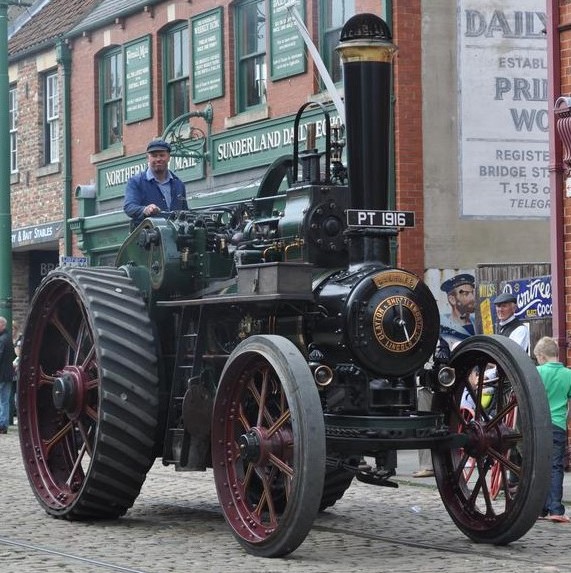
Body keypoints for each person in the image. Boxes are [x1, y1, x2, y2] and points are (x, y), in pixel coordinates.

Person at [533, 336, 571, 523]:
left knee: (539, 467)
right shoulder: (568, 374)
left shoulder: (537, 372)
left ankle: (539, 509)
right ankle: (556, 508)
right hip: (558, 425)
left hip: (538, 426)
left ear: (541, 356)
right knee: (556, 466)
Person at [123, 138, 188, 229]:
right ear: (148, 158)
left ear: (169, 157)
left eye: (162, 155)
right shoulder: (136, 182)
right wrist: (145, 210)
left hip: (174, 239)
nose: (158, 159)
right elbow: (129, 207)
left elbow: (185, 213)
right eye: (154, 155)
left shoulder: (179, 184)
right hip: (148, 239)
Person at [439, 274, 476, 347]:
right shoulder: (442, 328)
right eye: (465, 294)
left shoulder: (477, 323)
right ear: (452, 300)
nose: (472, 298)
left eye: (472, 293)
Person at [0, 317, 16, 434]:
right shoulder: (8, 338)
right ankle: (4, 424)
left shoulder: (2, 339)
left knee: (2, 400)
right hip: (8, 374)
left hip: (1, 375)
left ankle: (2, 424)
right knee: (5, 400)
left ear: (2, 325)